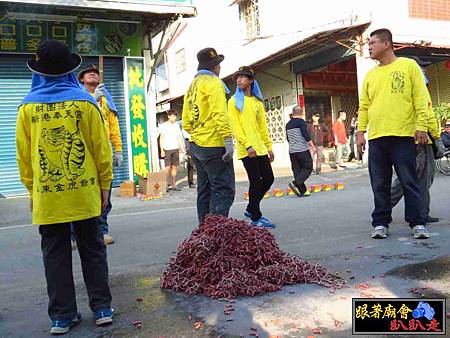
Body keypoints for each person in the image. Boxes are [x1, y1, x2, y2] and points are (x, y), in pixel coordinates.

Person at [16, 40, 114, 335]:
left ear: (39, 72)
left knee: (55, 253)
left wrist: (32, 190)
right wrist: (105, 186)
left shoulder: (27, 108)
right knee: (93, 248)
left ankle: (62, 315)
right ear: (71, 71)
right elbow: (101, 148)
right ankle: (102, 308)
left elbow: (24, 155)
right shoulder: (86, 103)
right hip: (84, 192)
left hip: (48, 195)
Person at [357, 28, 430, 239]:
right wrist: (361, 132)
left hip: (403, 136)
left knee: (409, 181)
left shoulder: (408, 66)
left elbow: (420, 98)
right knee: (379, 183)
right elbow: (364, 106)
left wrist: (422, 127)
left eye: (372, 42)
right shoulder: (370, 75)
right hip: (377, 138)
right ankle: (380, 223)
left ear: (386, 43)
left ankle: (417, 223)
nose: (368, 46)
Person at [182, 47, 235, 224]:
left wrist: (198, 132)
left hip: (197, 145)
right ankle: (215, 234)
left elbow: (186, 120)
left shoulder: (192, 86)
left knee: (204, 190)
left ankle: (203, 232)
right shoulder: (214, 83)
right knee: (223, 189)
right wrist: (228, 139)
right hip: (213, 145)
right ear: (215, 67)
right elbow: (220, 113)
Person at [391, 65, 446, 224]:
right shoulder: (420, 90)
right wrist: (437, 138)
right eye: (422, 70)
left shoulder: (401, 91)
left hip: (406, 139)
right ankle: (420, 213)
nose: (424, 73)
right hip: (421, 140)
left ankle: (384, 207)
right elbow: (428, 115)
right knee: (421, 179)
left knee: (406, 177)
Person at [78, 64, 123, 245]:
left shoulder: (106, 99)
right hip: (84, 154)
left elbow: (114, 127)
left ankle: (102, 231)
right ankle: (76, 235)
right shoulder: (77, 97)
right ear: (81, 79)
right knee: (83, 196)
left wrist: (118, 150)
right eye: (88, 72)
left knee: (105, 197)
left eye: (96, 72)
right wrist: (90, 99)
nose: (93, 74)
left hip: (104, 154)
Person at [228, 66, 275, 228]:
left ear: (251, 80)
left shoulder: (257, 102)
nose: (239, 79)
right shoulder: (233, 101)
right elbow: (235, 126)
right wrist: (247, 145)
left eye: (243, 77)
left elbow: (262, 127)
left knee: (269, 178)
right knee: (255, 181)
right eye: (238, 77)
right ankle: (256, 216)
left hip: (260, 148)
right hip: (246, 149)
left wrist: (269, 147)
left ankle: (251, 207)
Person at [286, 106, 314, 197]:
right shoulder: (301, 122)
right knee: (308, 167)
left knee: (297, 170)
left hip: (292, 151)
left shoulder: (288, 124)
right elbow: (305, 134)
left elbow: (288, 138)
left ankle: (303, 191)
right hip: (302, 149)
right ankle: (295, 183)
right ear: (301, 113)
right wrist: (312, 145)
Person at [158, 110, 186, 191]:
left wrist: (182, 149)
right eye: (172, 116)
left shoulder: (176, 126)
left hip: (175, 148)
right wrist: (162, 150)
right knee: (166, 168)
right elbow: (161, 138)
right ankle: (165, 185)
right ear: (168, 116)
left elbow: (179, 138)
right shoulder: (163, 126)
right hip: (167, 149)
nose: (174, 118)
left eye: (175, 116)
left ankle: (174, 185)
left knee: (174, 167)